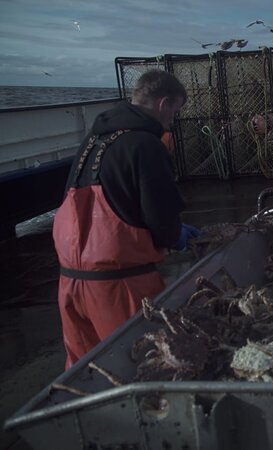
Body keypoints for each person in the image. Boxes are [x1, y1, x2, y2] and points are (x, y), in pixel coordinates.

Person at [52, 69, 200, 369]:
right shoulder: (146, 145)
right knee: (144, 366)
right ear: (163, 104)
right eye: (174, 111)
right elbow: (162, 219)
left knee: (84, 373)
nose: (172, 121)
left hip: (71, 283)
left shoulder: (92, 142)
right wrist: (176, 235)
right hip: (119, 285)